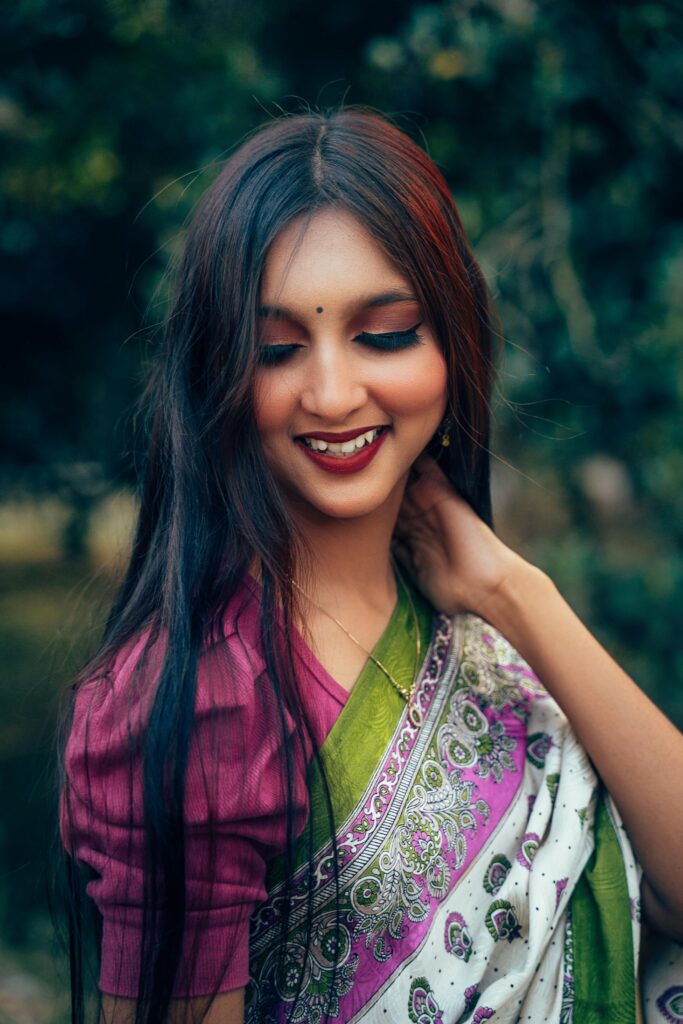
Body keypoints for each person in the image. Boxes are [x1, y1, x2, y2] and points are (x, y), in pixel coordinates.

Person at [58, 108, 683, 1024]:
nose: (332, 393)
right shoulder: (205, 701)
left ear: (451, 341)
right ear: (216, 372)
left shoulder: (467, 617)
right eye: (275, 350)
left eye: (384, 334)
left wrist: (516, 592)